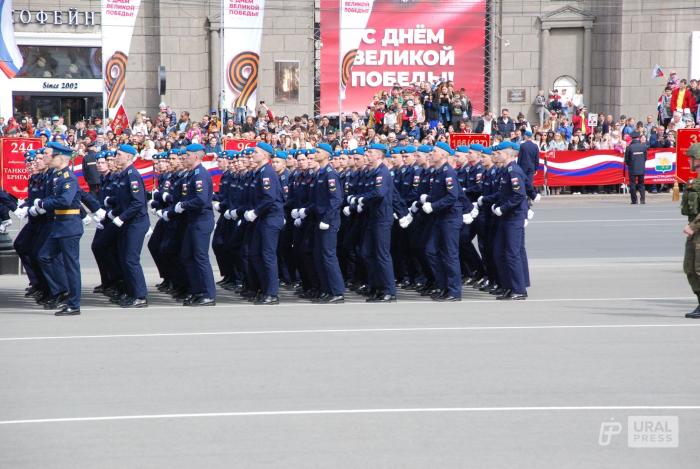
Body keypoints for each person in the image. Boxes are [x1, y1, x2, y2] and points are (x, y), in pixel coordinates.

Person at [35, 142, 83, 315]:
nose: (47, 157)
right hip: (59, 224)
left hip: (69, 225)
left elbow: (65, 201)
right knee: (44, 256)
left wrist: (43, 203)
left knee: (71, 266)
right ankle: (62, 290)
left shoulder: (68, 178)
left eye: (50, 155)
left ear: (61, 157)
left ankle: (74, 304)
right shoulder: (57, 176)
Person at [174, 143, 217, 306]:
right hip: (193, 220)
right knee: (187, 255)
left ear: (196, 157)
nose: (185, 157)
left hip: (201, 220)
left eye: (188, 155)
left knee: (200, 257)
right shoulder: (191, 174)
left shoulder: (200, 174)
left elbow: (201, 200)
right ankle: (197, 290)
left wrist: (183, 205)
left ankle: (208, 294)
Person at [107, 144, 150, 308]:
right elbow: (123, 201)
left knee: (131, 259)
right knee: (124, 258)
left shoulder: (132, 175)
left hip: (136, 222)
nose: (116, 157)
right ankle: (130, 292)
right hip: (127, 221)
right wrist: (114, 212)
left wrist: (121, 217)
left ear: (129, 157)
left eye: (119, 154)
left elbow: (138, 202)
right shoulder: (123, 175)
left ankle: (140, 296)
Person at [421, 142, 463, 301]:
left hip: (450, 218)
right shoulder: (438, 172)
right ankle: (443, 286)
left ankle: (454, 291)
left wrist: (433, 205)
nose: (431, 154)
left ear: (444, 155)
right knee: (431, 250)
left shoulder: (448, 172)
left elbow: (452, 197)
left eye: (434, 151)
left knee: (450, 254)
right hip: (440, 217)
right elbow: (440, 194)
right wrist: (429, 199)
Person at [247, 142, 285, 305]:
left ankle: (272, 293)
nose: (252, 155)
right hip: (263, 218)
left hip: (270, 218)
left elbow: (269, 198)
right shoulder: (260, 171)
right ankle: (264, 288)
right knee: (255, 253)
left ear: (264, 155)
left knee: (268, 256)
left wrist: (255, 212)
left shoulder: (267, 172)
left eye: (255, 152)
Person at [624, 131, 647, 205]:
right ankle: (642, 200)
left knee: (632, 184)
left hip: (632, 168)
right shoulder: (643, 146)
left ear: (632, 138)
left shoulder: (629, 147)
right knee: (641, 184)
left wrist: (630, 164)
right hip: (641, 168)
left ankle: (634, 200)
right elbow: (645, 158)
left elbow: (626, 160)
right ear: (638, 137)